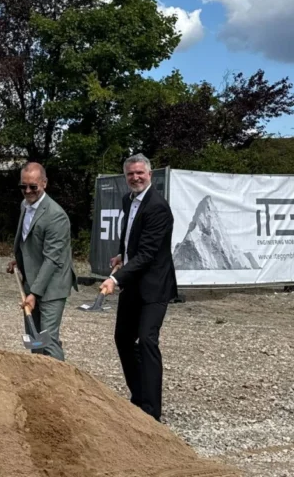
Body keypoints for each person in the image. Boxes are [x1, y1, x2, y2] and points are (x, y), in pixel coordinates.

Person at [99, 153, 177, 422]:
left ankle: (151, 411)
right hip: (133, 283)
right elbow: (132, 236)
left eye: (140, 173)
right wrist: (122, 255)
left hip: (154, 286)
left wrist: (115, 279)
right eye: (130, 174)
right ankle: (138, 397)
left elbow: (147, 254)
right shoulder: (127, 200)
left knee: (146, 341)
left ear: (150, 175)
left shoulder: (158, 207)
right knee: (122, 338)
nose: (135, 177)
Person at [6, 162, 77, 361]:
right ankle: (39, 379)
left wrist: (34, 293)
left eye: (33, 187)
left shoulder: (56, 216)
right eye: (23, 186)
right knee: (34, 338)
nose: (27, 191)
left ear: (44, 183)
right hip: (32, 280)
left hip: (53, 285)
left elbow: (52, 259)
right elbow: (29, 241)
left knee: (48, 339)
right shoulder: (24, 205)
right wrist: (18, 261)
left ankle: (61, 386)